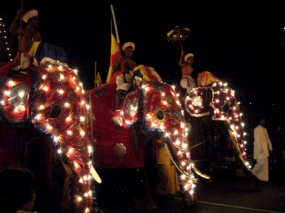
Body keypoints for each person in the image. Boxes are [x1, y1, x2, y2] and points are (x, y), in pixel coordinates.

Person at [112, 41, 137, 110]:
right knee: (120, 91)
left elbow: (136, 72)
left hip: (130, 78)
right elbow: (114, 69)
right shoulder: (120, 59)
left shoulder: (133, 62)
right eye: (128, 51)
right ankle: (117, 108)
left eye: (131, 51)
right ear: (125, 51)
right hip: (121, 77)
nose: (130, 53)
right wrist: (119, 61)